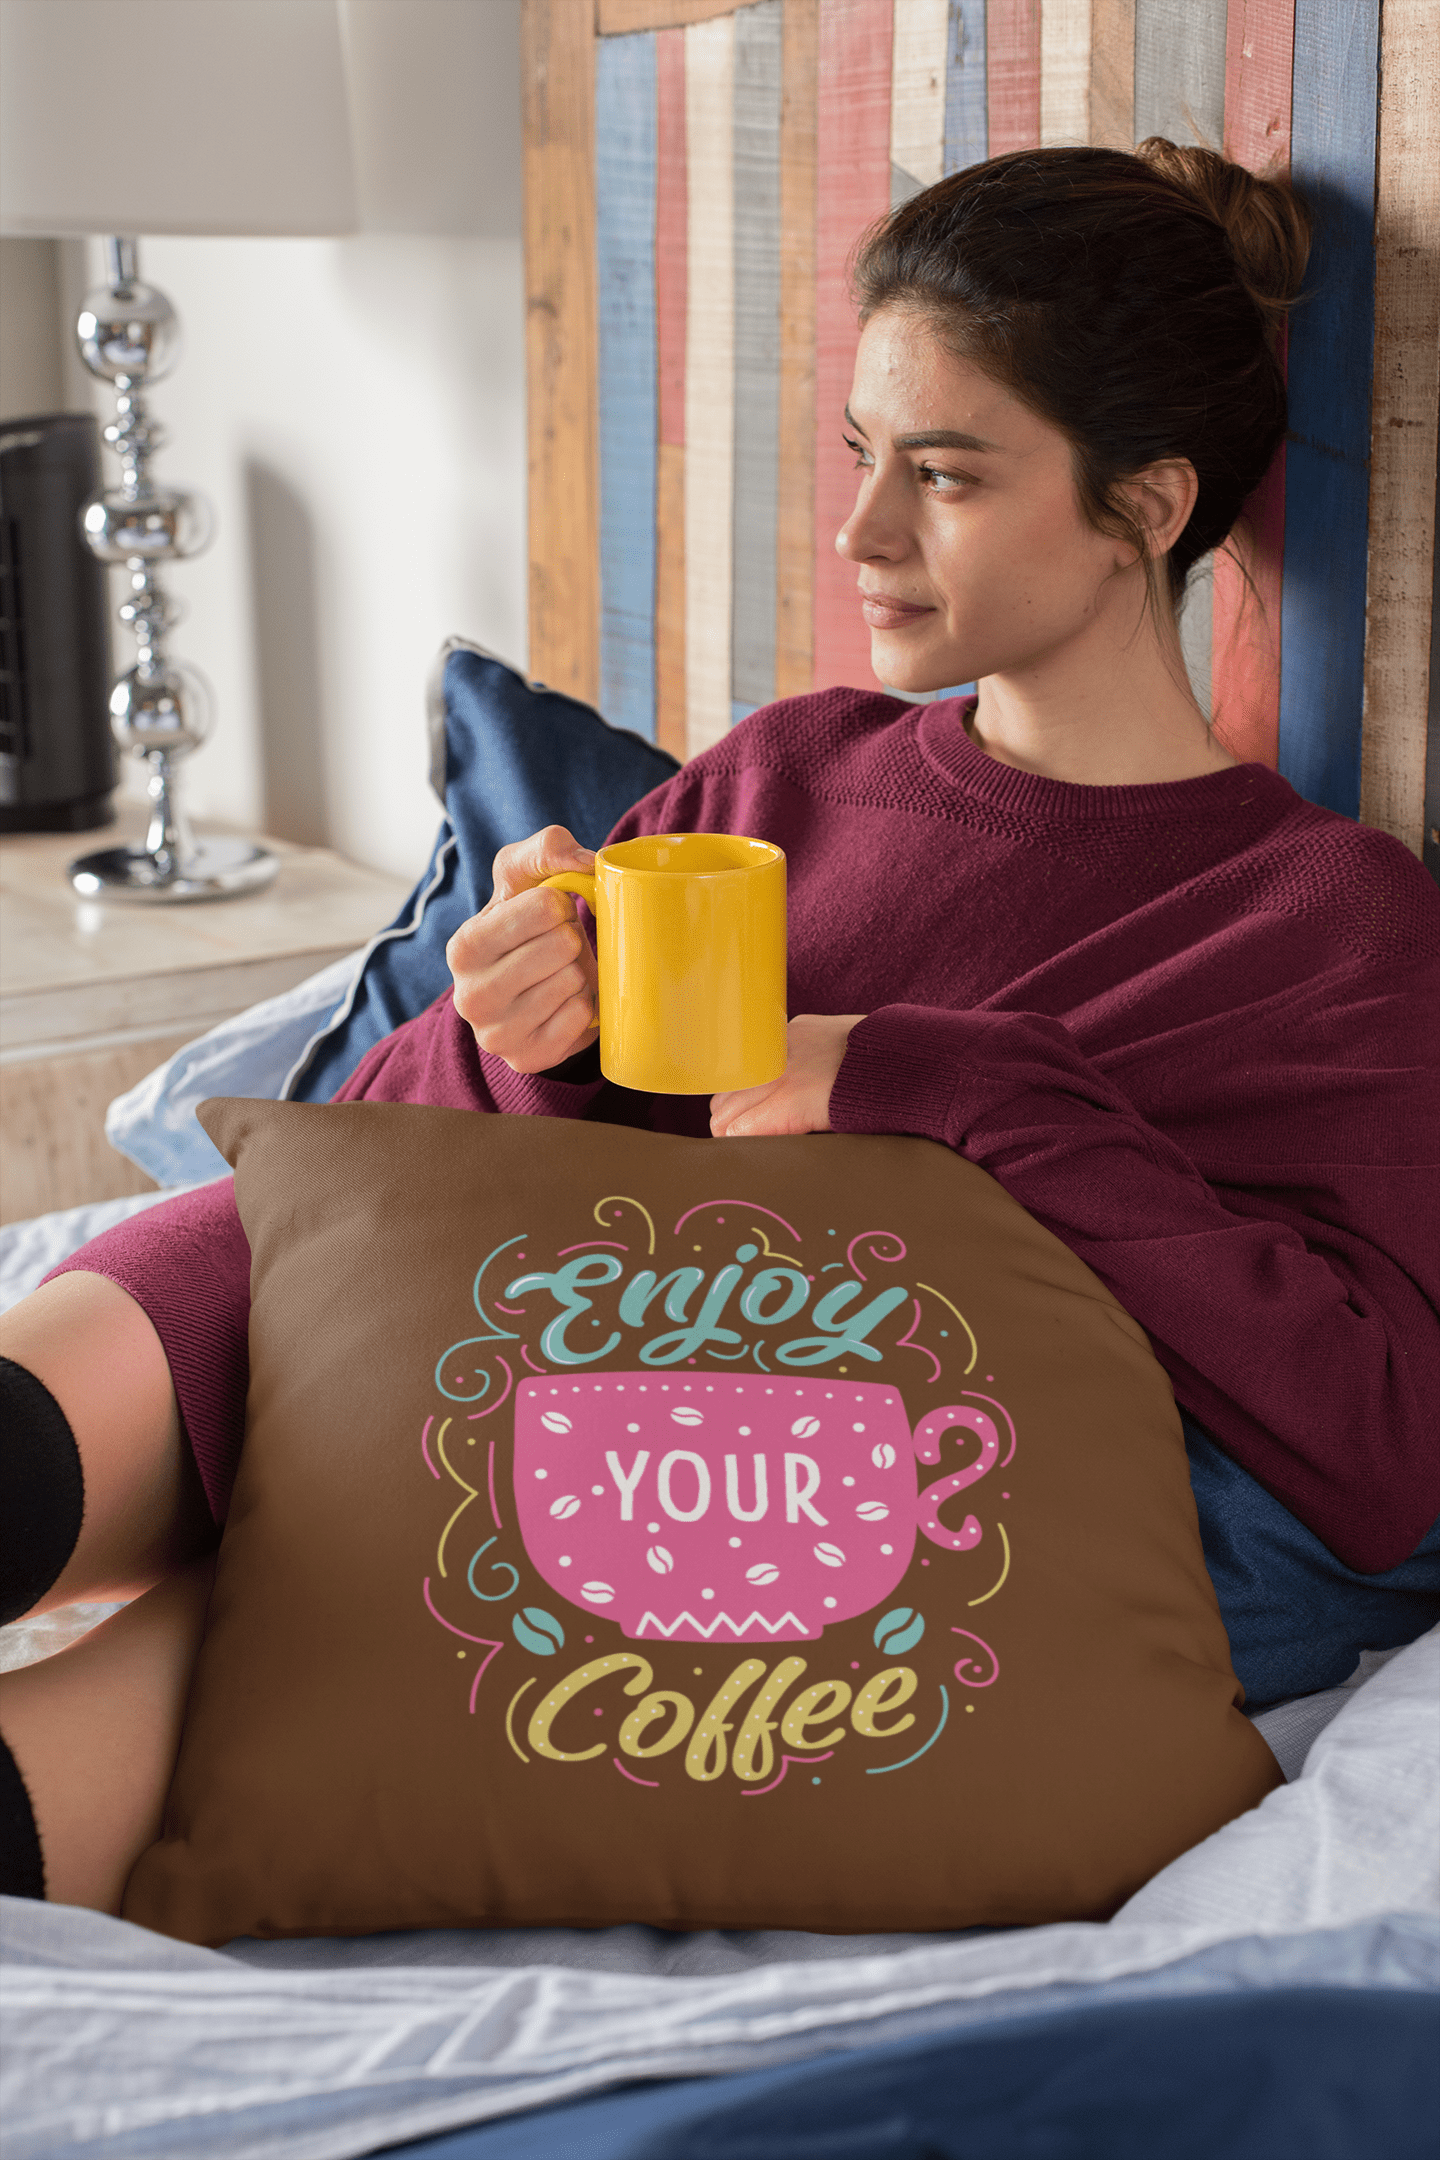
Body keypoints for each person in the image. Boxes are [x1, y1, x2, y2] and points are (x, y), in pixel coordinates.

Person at [3, 142, 1437, 1916]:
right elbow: (364, 1184)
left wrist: (946, 1083)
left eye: (947, 477)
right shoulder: (792, 766)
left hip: (676, 1440)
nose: (862, 535)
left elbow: (1378, 1457)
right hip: (429, 1311)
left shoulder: (1316, 917)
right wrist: (525, 1026)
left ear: (1144, 507)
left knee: (162, 1710)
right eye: (859, 457)